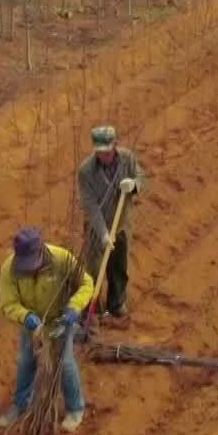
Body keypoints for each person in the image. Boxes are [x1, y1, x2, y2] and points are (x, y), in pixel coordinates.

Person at [0, 227, 95, 432]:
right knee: (26, 360)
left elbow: (87, 283)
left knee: (65, 361)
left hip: (60, 320)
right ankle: (22, 404)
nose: (29, 269)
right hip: (33, 323)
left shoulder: (61, 259)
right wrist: (26, 317)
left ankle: (75, 409)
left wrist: (74, 308)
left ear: (41, 251)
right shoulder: (10, 270)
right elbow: (8, 304)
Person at [78, 125, 144, 323]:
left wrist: (134, 185)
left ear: (115, 145)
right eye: (99, 153)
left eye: (107, 152)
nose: (104, 157)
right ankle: (92, 309)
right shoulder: (86, 171)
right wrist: (103, 233)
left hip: (121, 222)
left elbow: (140, 176)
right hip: (97, 226)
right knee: (93, 270)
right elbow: (90, 206)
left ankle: (116, 303)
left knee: (119, 265)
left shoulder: (127, 158)